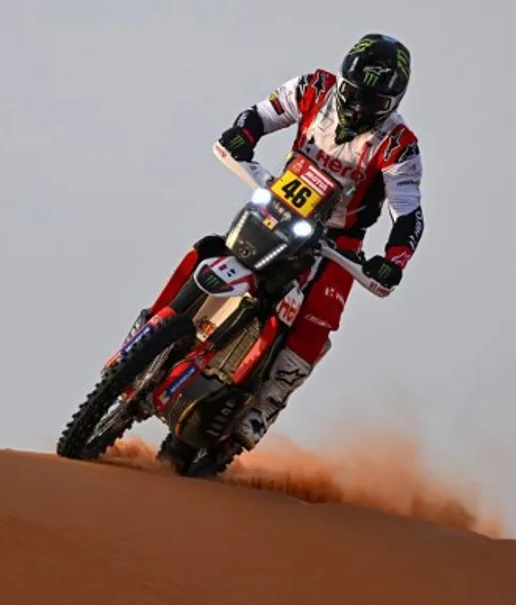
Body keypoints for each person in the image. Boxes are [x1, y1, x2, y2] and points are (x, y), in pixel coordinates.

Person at [146, 32, 426, 451]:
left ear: (394, 103)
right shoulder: (313, 87)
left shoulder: (400, 146)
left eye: (374, 103)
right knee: (211, 250)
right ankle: (153, 326)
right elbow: (261, 113)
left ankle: (265, 405)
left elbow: (408, 213)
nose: (358, 107)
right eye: (354, 93)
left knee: (317, 318)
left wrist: (393, 259)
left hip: (339, 241)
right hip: (280, 206)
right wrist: (244, 133)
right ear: (343, 80)